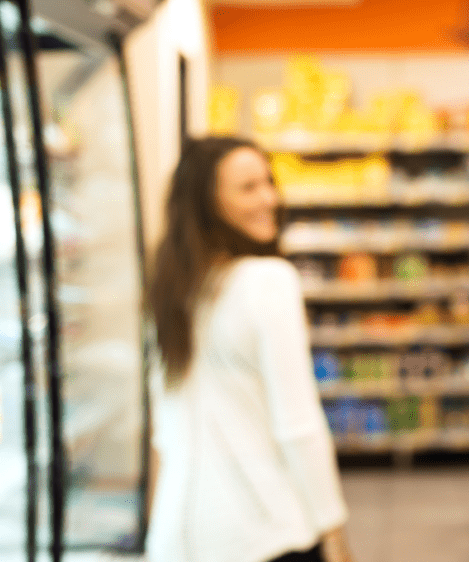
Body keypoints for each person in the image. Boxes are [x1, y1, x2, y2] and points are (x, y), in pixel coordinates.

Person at [145, 136, 354, 562]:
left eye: (268, 182)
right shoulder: (267, 281)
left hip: (177, 538)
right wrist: (333, 528)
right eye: (248, 188)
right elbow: (298, 425)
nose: (269, 199)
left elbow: (165, 430)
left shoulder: (171, 289)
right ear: (208, 203)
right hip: (265, 532)